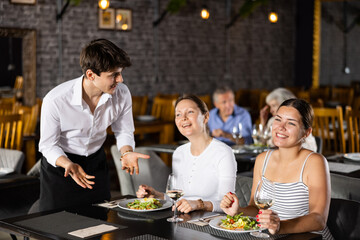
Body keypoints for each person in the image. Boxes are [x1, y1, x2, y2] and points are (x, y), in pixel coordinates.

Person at [38, 39, 149, 211]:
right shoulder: (56, 100)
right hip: (62, 167)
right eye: (114, 74)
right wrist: (68, 164)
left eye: (120, 73)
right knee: (56, 227)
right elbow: (47, 145)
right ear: (91, 75)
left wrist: (127, 152)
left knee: (98, 222)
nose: (120, 79)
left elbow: (124, 131)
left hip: (96, 163)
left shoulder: (122, 93)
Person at [221, 99, 333, 239]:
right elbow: (257, 210)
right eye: (278, 119)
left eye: (291, 123)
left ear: (306, 132)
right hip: (274, 236)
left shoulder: (314, 162)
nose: (281, 127)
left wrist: (280, 226)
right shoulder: (262, 159)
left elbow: (318, 219)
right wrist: (238, 211)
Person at [136, 95, 237, 213]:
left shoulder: (223, 152)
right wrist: (157, 195)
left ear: (206, 117)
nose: (183, 118)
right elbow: (179, 198)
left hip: (211, 224)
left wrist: (199, 204)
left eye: (190, 112)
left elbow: (228, 204)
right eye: (178, 114)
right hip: (183, 221)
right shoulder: (179, 153)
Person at [260, 88, 317, 152]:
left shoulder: (301, 121)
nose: (271, 110)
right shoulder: (272, 121)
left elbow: (311, 148)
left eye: (274, 105)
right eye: (278, 119)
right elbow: (261, 143)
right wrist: (263, 122)